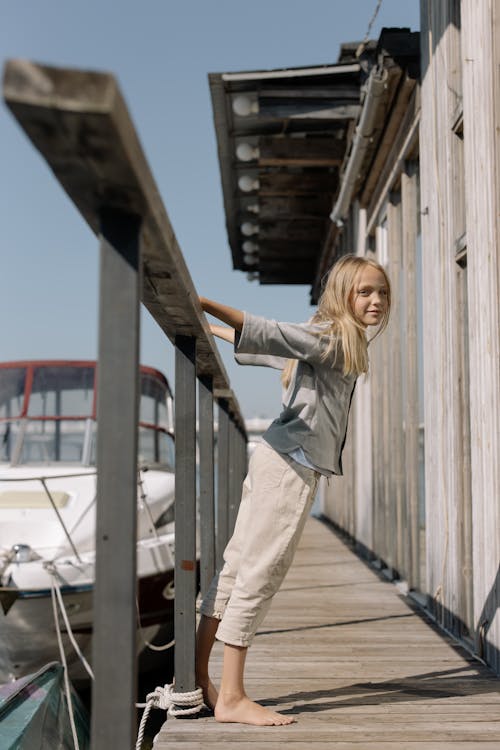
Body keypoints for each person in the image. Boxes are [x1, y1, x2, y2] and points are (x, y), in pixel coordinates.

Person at [195, 254, 391, 726]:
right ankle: (233, 698)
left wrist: (205, 326)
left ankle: (201, 676)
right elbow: (266, 330)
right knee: (260, 573)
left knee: (238, 564)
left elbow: (267, 345)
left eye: (382, 292)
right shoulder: (335, 338)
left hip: (272, 461)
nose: (377, 301)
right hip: (291, 467)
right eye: (365, 292)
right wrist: (196, 301)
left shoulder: (326, 339)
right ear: (344, 294)